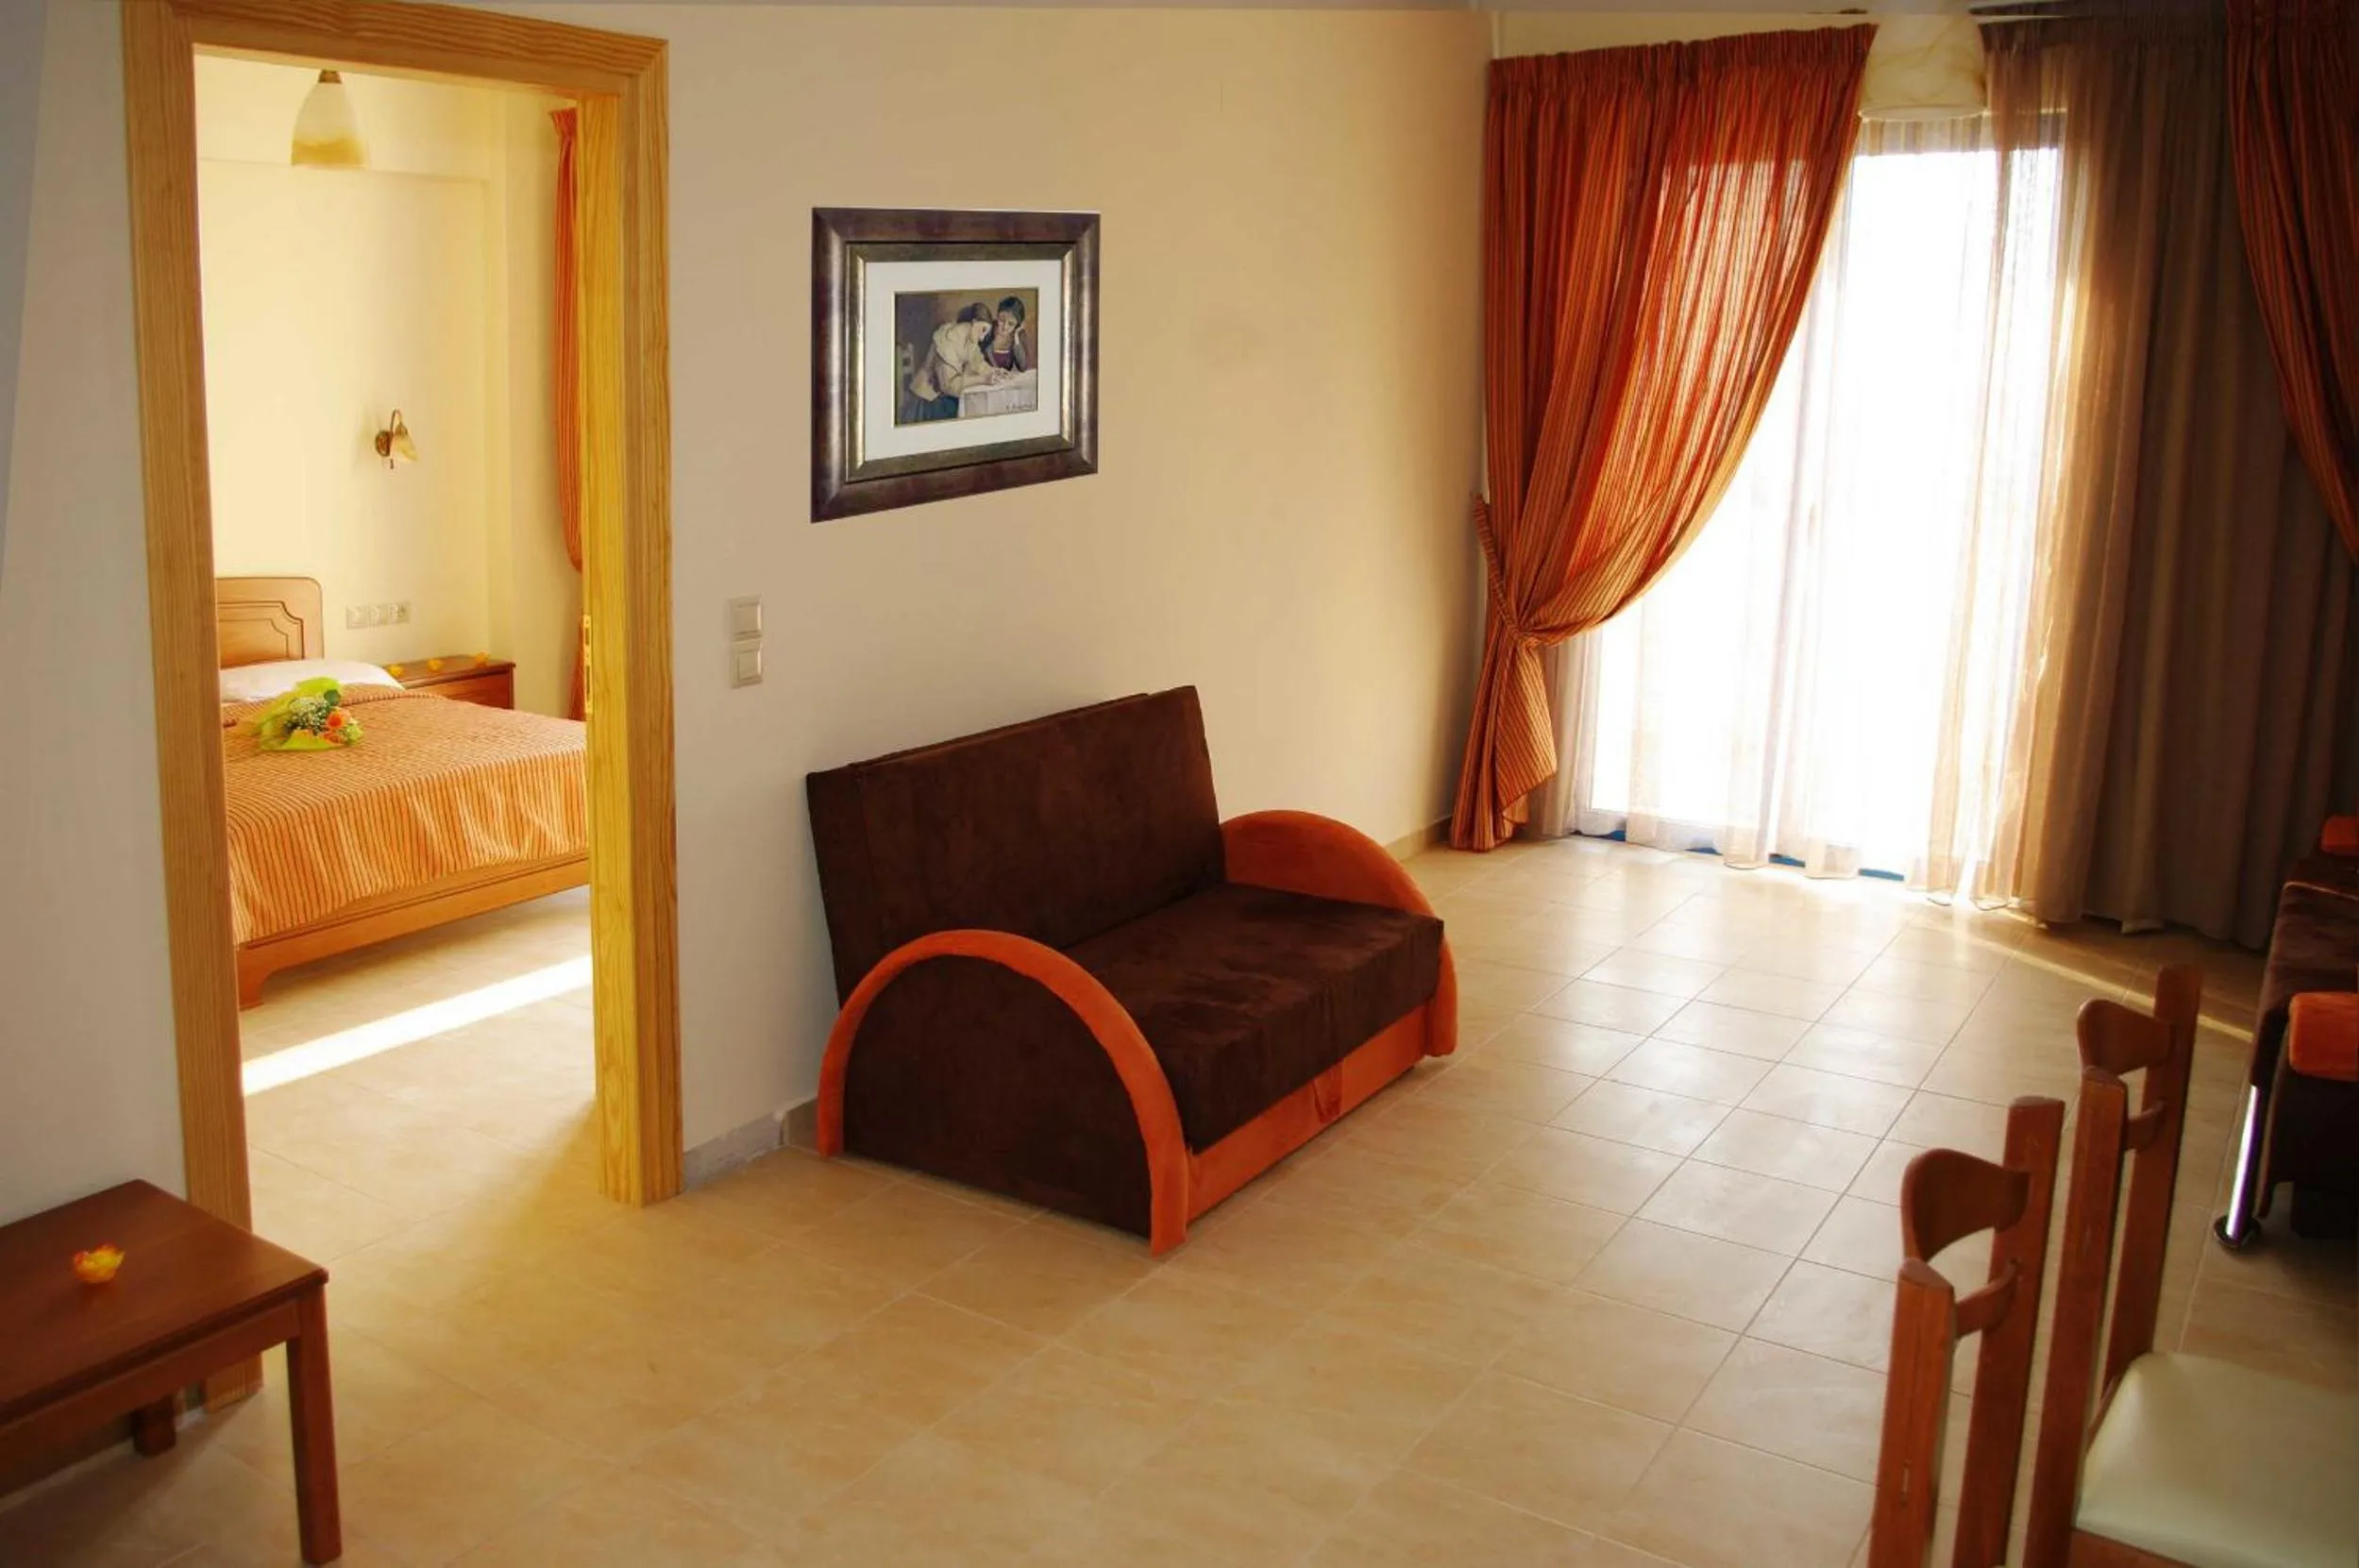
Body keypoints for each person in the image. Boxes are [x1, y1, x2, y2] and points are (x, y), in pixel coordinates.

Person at [905, 302, 1002, 422]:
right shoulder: (946, 339)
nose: (982, 338)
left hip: (947, 398)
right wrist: (983, 379)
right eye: (983, 330)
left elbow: (979, 363)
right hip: (929, 402)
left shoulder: (970, 340)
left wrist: (996, 371)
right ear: (974, 321)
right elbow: (948, 386)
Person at [984, 295, 1031, 376]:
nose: (1005, 327)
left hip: (1005, 383)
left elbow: (1023, 367)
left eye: (1011, 324)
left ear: (1017, 325)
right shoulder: (987, 331)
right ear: (997, 316)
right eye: (1002, 320)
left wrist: (1016, 338)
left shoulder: (1019, 336)